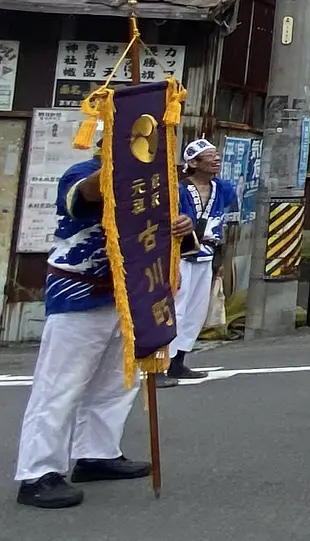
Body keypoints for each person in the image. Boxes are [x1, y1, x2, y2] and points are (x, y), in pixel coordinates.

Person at [14, 143, 181, 507]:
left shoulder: (151, 186)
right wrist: (118, 168)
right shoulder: (81, 174)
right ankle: (37, 471)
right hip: (79, 293)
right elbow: (87, 193)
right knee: (61, 385)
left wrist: (178, 225)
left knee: (118, 382)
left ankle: (97, 453)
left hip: (128, 296)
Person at [161, 137, 238, 386]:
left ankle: (178, 362)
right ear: (193, 163)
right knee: (176, 310)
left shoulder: (223, 188)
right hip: (181, 256)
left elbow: (223, 223)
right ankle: (160, 364)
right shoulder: (179, 190)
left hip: (207, 256)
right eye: (210, 156)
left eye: (217, 155)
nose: (216, 159)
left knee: (196, 311)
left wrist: (221, 260)